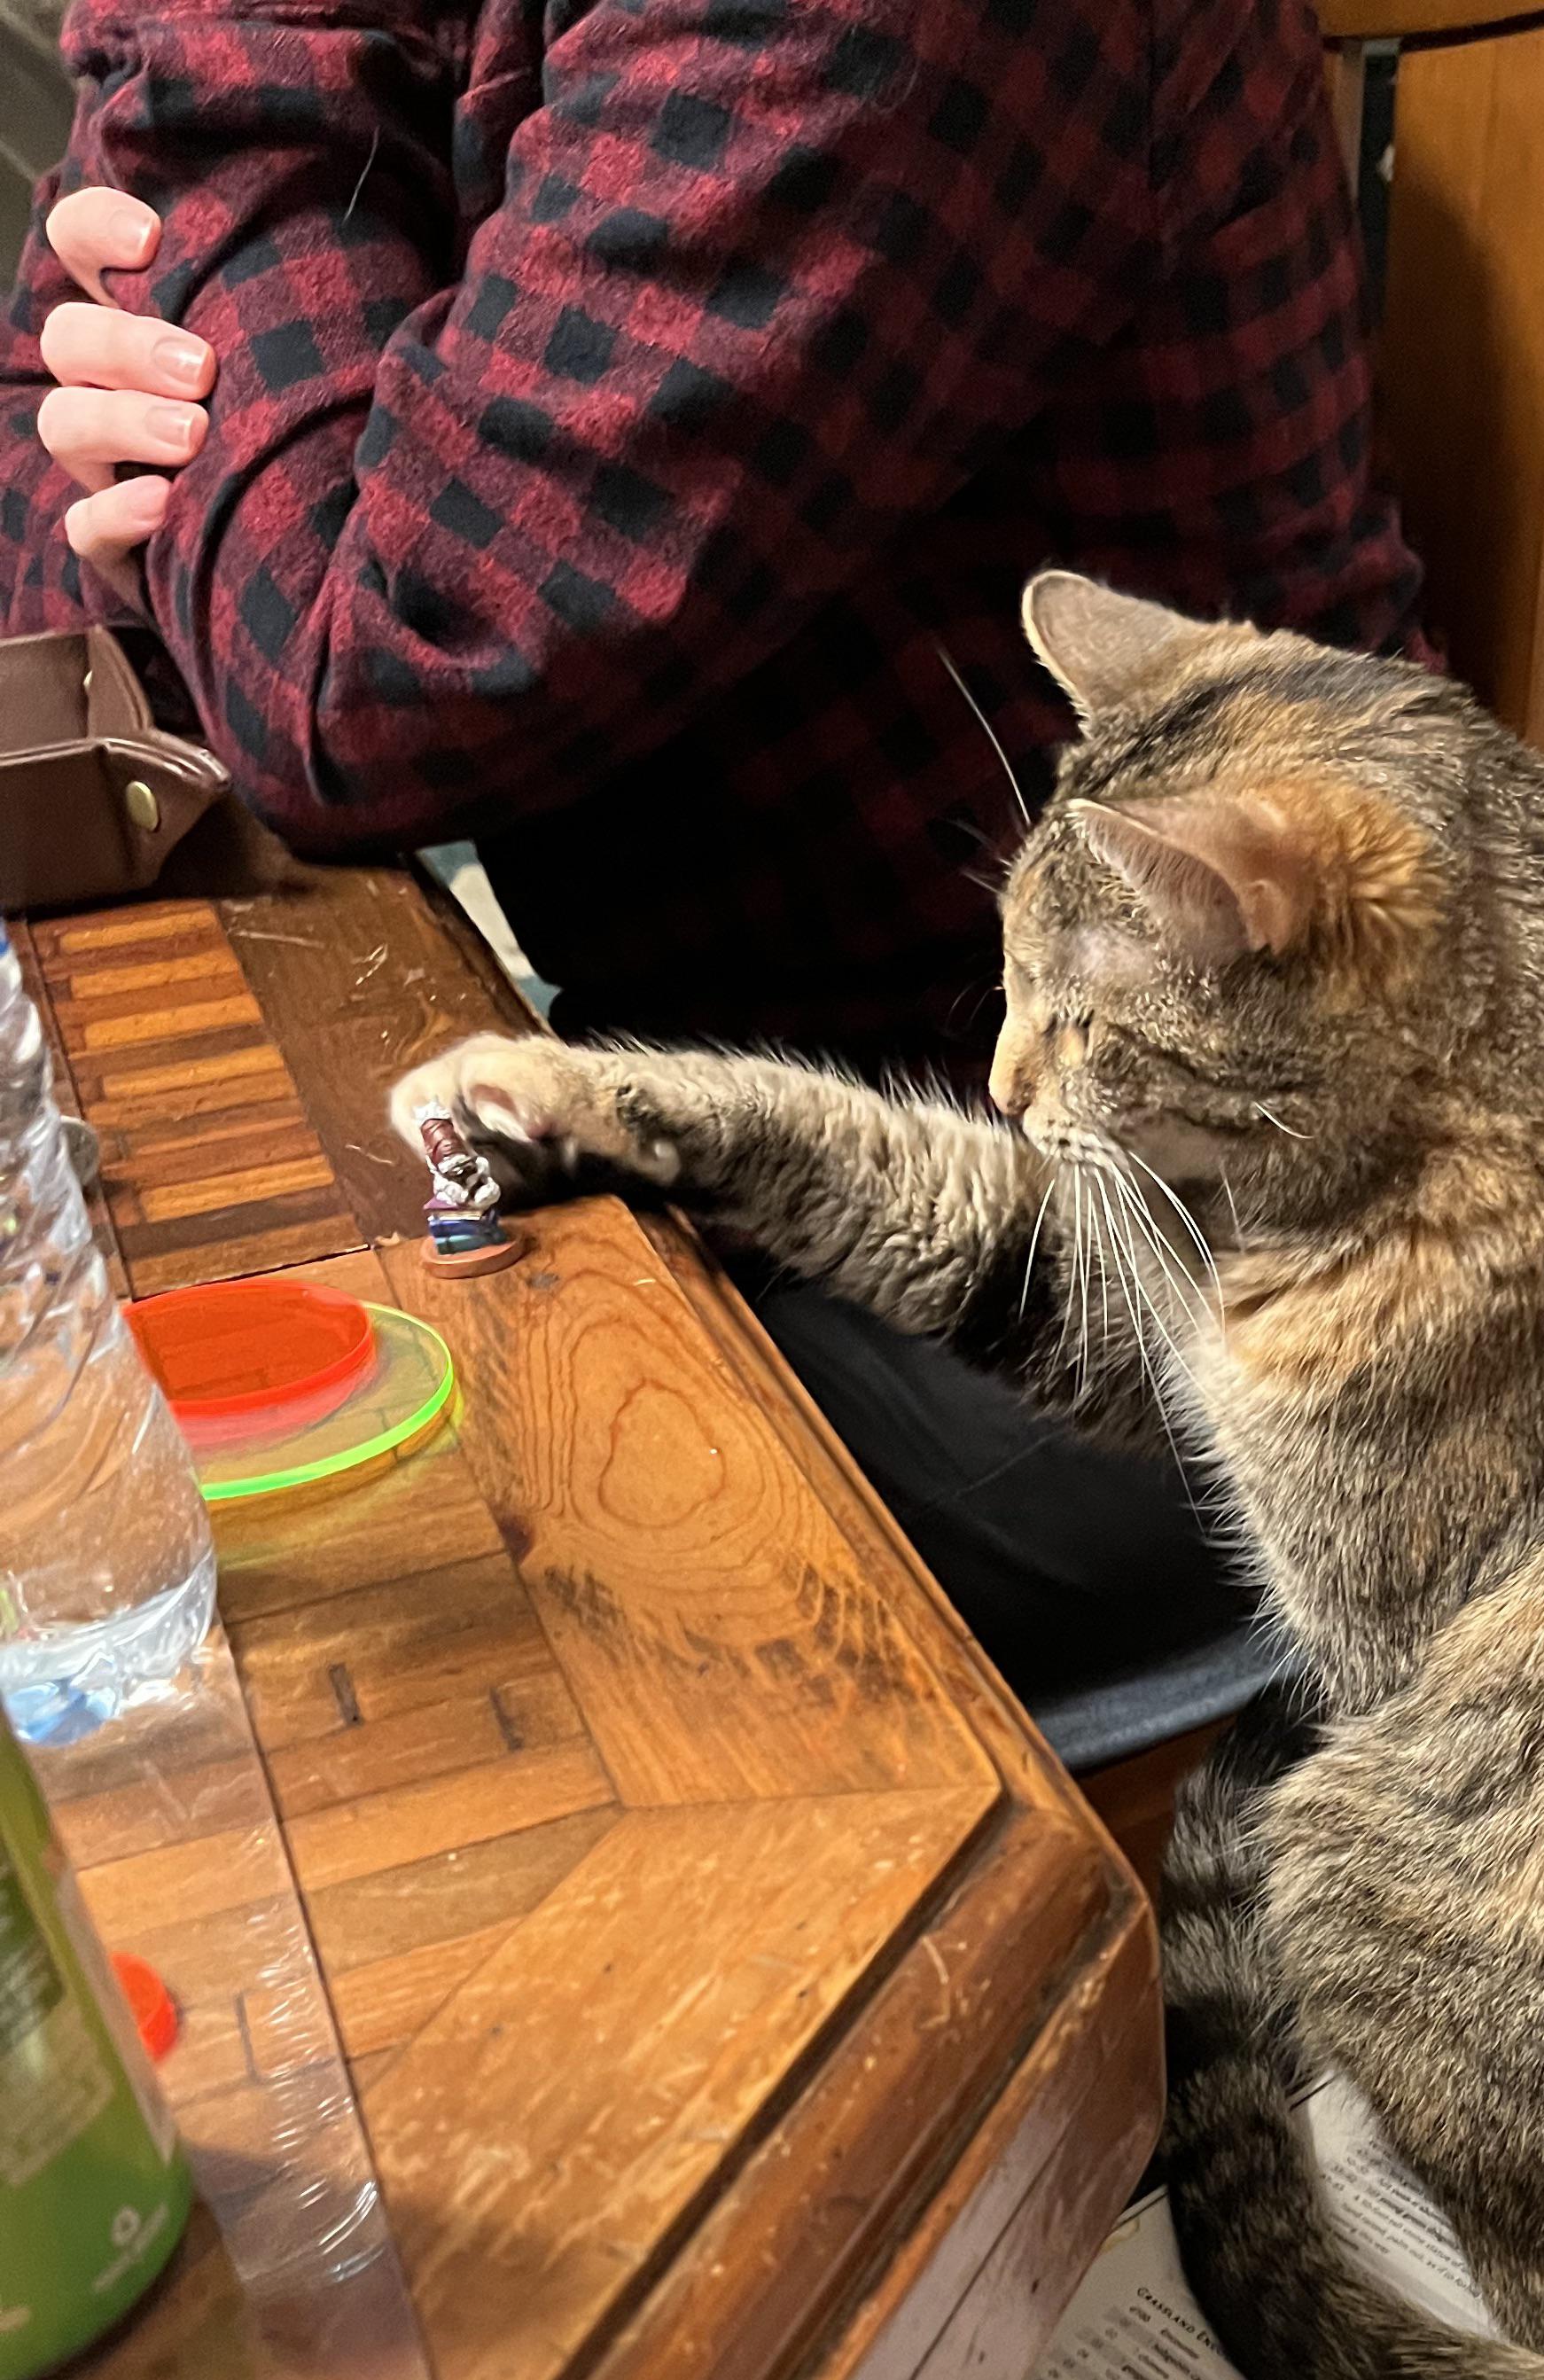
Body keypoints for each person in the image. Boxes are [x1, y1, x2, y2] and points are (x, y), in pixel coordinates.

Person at [0, 0, 1423, 1706]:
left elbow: (356, 676)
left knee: (240, 1579)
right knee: (105, 1443)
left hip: (1189, 1251)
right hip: (726, 1100)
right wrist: (229, 488)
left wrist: (240, 120)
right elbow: (65, 581)